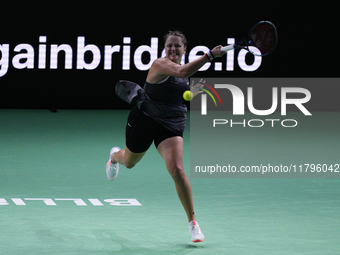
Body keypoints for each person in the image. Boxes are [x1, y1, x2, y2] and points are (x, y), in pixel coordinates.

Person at [106, 30, 225, 242]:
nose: (173, 49)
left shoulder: (186, 74)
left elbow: (190, 89)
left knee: (177, 170)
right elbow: (184, 72)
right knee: (129, 162)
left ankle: (193, 223)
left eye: (177, 45)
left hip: (170, 124)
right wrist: (210, 55)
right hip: (145, 119)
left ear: (184, 49)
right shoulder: (160, 64)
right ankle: (114, 156)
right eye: (169, 45)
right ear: (164, 48)